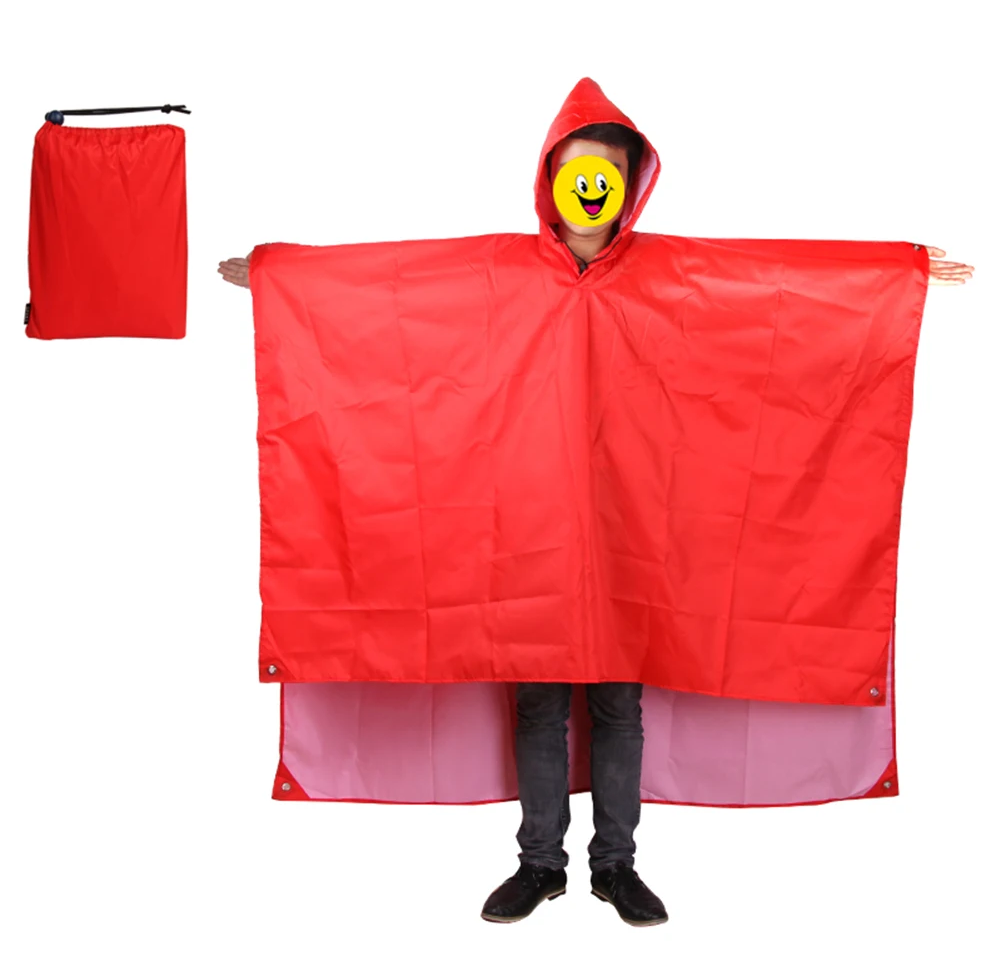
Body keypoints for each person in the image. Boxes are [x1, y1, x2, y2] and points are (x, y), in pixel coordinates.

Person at [218, 109, 974, 930]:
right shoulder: (501, 271)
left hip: (629, 537)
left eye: (606, 173)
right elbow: (397, 291)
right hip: (528, 535)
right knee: (538, 703)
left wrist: (893, 277)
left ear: (628, 186)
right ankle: (539, 863)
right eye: (576, 170)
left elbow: (773, 291)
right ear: (551, 179)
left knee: (618, 706)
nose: (590, 188)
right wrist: (283, 280)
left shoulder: (668, 274)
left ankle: (615, 865)